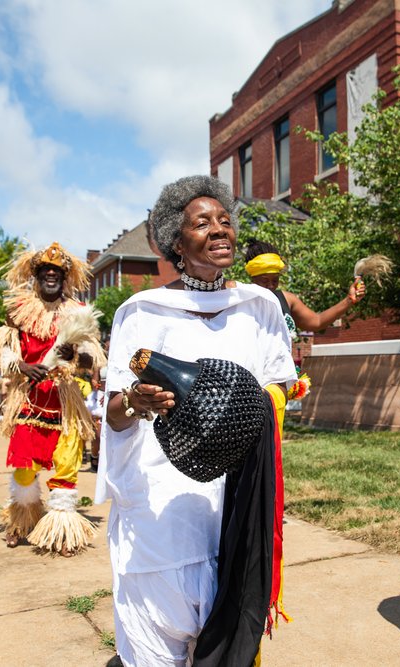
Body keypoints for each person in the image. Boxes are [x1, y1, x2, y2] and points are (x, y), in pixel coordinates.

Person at [95, 175, 296, 667]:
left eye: (225, 220)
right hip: (161, 502)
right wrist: (137, 402)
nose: (219, 229)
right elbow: (114, 416)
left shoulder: (259, 306)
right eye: (202, 223)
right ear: (175, 242)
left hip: (235, 498)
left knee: (226, 629)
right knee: (158, 636)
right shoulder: (141, 312)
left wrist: (232, 401)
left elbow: (281, 384)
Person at [0, 242, 106, 556]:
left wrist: (75, 356)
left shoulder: (77, 313)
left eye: (57, 272)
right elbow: (2, 352)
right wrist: (22, 366)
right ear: (37, 276)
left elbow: (91, 361)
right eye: (46, 271)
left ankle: (61, 533)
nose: (51, 276)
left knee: (67, 465)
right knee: (24, 468)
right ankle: (22, 522)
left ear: (65, 278)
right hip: (29, 401)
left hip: (66, 402)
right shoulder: (19, 310)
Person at [243, 240, 366, 340]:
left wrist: (349, 300)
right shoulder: (241, 300)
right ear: (252, 277)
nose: (270, 285)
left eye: (275, 280)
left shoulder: (287, 299)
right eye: (264, 281)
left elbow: (317, 322)